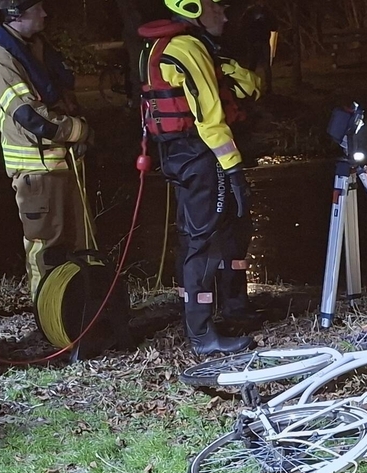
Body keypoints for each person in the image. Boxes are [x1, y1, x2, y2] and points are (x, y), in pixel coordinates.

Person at [140, 0, 263, 355]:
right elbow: (209, 117)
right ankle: (202, 334)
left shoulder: (161, 45)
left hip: (178, 154)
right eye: (217, 8)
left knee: (197, 234)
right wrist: (233, 168)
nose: (224, 15)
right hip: (199, 154)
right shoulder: (188, 47)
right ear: (193, 8)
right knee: (204, 240)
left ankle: (207, 317)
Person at [0, 0, 92, 299]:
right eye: (37, 9)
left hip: (60, 163)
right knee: (46, 250)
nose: (45, 13)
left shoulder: (37, 50)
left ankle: (76, 310)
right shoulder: (0, 62)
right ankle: (47, 313)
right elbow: (31, 116)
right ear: (17, 15)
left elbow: (61, 95)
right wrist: (79, 130)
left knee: (76, 246)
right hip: (37, 170)